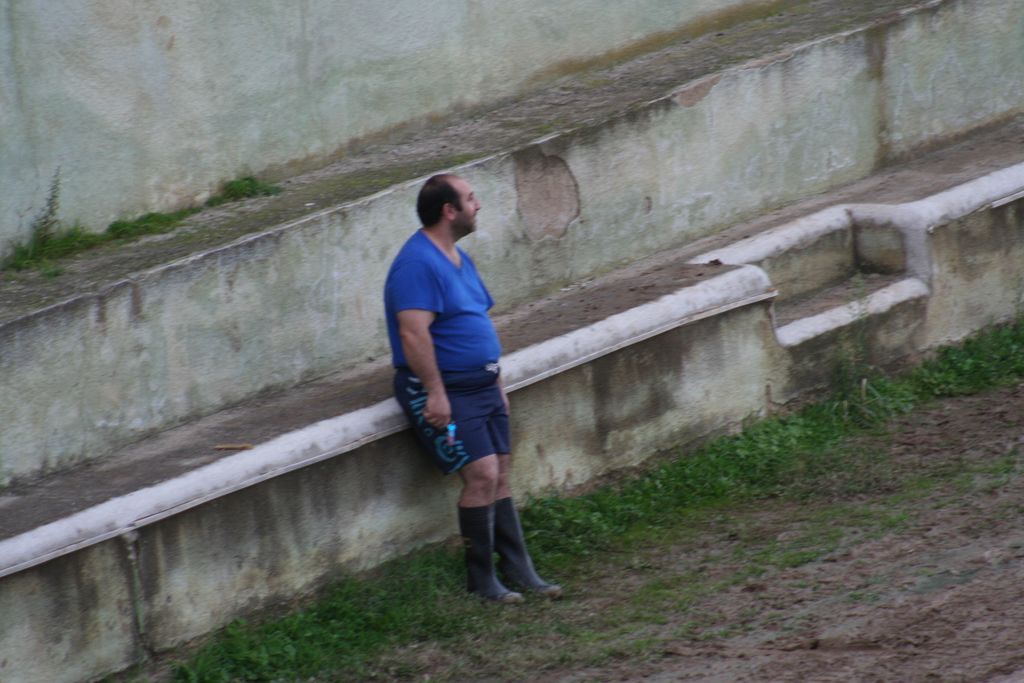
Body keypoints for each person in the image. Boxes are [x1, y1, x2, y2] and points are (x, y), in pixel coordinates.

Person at [384, 173, 561, 603]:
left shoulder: (458, 258)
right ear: (450, 210)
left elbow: (476, 322)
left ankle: (518, 570)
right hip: (450, 391)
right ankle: (481, 580)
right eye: (470, 198)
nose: (477, 205)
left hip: (482, 386)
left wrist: (496, 380)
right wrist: (435, 393)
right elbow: (413, 334)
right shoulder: (417, 264)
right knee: (481, 475)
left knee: (500, 472)